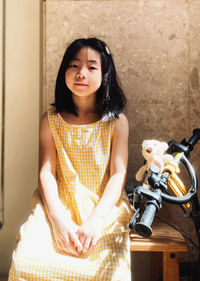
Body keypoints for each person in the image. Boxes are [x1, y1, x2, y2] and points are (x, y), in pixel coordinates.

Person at [8, 37, 133, 281]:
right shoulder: (51, 119)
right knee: (25, 263)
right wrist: (58, 220)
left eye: (92, 67)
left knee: (109, 272)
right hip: (59, 203)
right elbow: (46, 172)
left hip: (104, 206)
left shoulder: (117, 122)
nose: (81, 73)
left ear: (105, 73)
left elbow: (119, 174)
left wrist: (95, 222)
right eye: (74, 65)